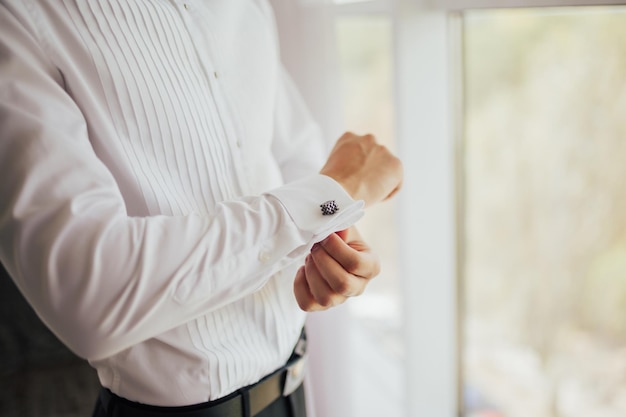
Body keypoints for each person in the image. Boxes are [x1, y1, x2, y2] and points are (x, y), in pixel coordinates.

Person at [0, 1, 403, 417]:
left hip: (294, 390)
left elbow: (290, 152)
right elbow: (90, 292)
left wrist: (332, 244)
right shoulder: (21, 17)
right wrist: (334, 193)